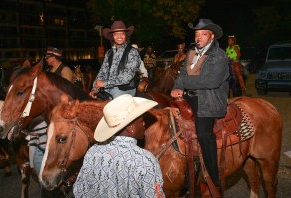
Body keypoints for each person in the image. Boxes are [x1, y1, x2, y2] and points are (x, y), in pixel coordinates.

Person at [171, 19, 229, 193]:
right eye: (196, 34)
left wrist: (184, 84)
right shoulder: (191, 53)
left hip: (209, 100)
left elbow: (210, 81)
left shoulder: (219, 55)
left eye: (203, 34)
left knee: (204, 133)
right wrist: (177, 86)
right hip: (190, 96)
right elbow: (181, 74)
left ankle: (213, 176)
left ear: (211, 36)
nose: (199, 37)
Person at [73, 94, 165, 198]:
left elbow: (79, 191)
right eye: (141, 120)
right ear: (130, 128)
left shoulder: (93, 152)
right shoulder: (145, 160)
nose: (144, 123)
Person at [89, 20, 141, 99]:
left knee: (114, 106)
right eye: (116, 34)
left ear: (125, 35)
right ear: (112, 36)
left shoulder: (132, 52)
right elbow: (102, 72)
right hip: (108, 88)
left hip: (125, 89)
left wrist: (104, 83)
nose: (119, 36)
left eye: (122, 33)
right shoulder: (109, 53)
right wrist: (95, 88)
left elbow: (127, 77)